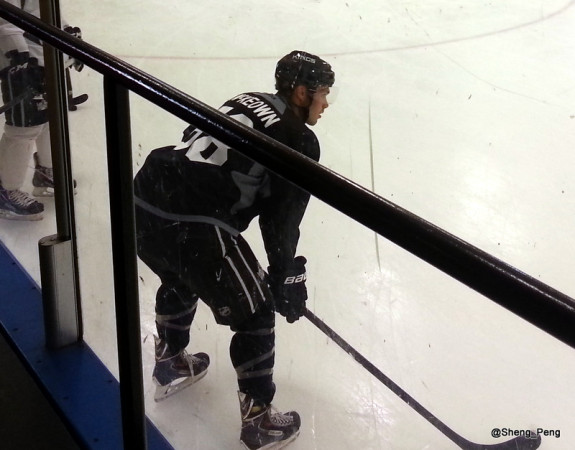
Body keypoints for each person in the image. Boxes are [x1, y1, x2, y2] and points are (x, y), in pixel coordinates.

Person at [134, 50, 335, 449]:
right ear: (300, 93)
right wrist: (284, 277)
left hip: (148, 196)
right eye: (322, 94)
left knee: (179, 276)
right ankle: (259, 421)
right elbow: (281, 219)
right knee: (256, 311)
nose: (326, 104)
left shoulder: (248, 99)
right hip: (199, 222)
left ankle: (171, 362)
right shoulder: (300, 140)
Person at [0, 0, 83, 220]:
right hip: (24, 63)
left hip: (47, 58)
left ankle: (46, 171)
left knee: (49, 118)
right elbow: (5, 19)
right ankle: (6, 189)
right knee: (24, 128)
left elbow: (45, 13)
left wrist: (69, 38)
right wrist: (17, 55)